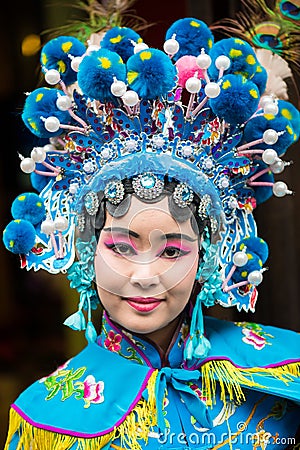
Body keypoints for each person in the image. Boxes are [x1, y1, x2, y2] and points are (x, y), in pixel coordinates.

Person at [2, 5, 300, 449]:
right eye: (121, 246)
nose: (144, 276)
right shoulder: (45, 420)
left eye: (173, 250)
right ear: (86, 252)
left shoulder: (288, 371)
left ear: (209, 257)